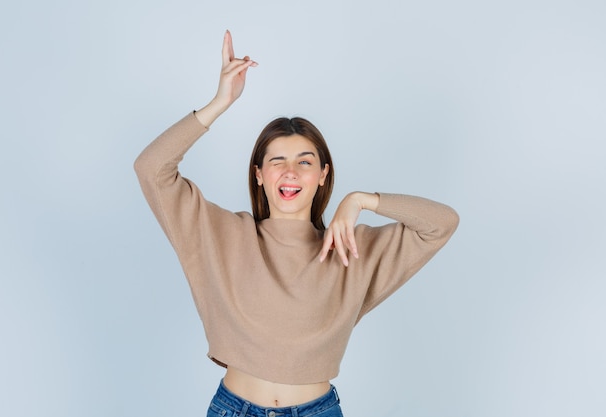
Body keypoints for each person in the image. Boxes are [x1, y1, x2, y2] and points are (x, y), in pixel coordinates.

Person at [134, 30, 459, 417]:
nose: (291, 172)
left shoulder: (350, 250)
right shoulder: (218, 233)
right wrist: (220, 103)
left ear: (323, 174)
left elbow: (442, 223)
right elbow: (151, 168)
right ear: (258, 174)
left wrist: (362, 200)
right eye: (277, 161)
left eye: (305, 161)